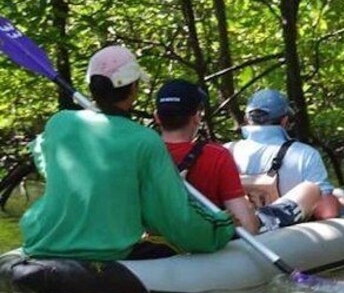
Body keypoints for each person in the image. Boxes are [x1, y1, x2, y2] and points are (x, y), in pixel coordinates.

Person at [20, 46, 234, 261]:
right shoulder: (145, 140)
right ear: (133, 88)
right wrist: (220, 227)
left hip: (40, 243)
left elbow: (42, 155)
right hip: (106, 252)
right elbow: (171, 215)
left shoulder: (60, 123)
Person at [154, 79, 322, 234]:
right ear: (197, 117)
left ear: (157, 117)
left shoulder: (143, 152)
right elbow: (246, 224)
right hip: (209, 235)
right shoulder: (216, 155)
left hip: (161, 236)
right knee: (311, 190)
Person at [225, 89, 344, 220]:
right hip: (293, 241)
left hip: (245, 237)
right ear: (285, 120)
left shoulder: (226, 152)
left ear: (246, 120)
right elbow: (327, 212)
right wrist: (341, 204)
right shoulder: (305, 155)